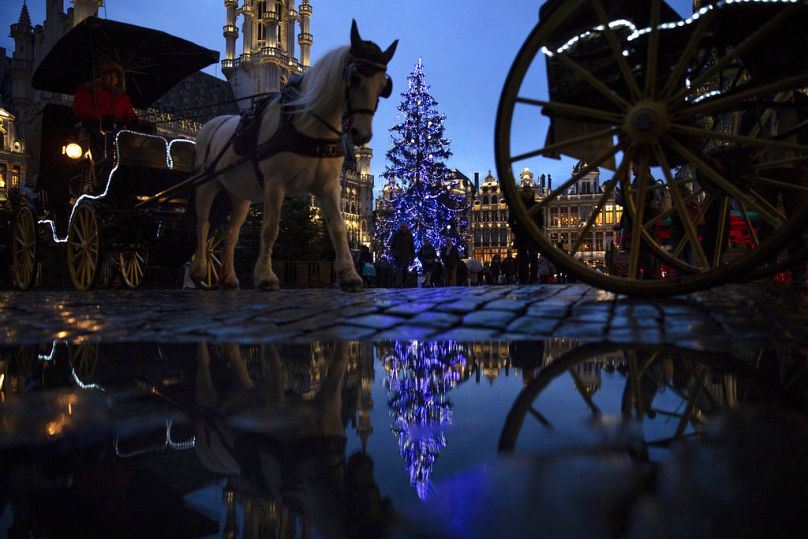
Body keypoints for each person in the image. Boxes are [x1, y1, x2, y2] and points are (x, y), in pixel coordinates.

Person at [73, 58, 138, 126]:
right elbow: (79, 109)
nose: (113, 78)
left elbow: (128, 111)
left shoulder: (122, 96)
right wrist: (101, 116)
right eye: (109, 75)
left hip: (116, 132)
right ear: (101, 76)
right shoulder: (89, 90)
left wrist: (132, 119)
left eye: (115, 76)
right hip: (93, 129)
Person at [509, 183, 541, 283]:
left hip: (532, 236)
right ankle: (523, 279)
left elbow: (541, 221)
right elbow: (510, 220)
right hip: (521, 236)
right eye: (525, 191)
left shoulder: (536, 205)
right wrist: (516, 230)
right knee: (522, 259)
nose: (527, 193)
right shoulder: (517, 206)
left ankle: (533, 279)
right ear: (522, 193)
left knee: (533, 258)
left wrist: (536, 229)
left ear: (532, 193)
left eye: (529, 191)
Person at [389, 223, 415, 288]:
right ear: (400, 228)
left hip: (406, 256)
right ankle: (398, 284)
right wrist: (395, 254)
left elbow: (412, 247)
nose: (403, 229)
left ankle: (404, 283)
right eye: (402, 227)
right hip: (398, 256)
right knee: (398, 270)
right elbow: (392, 246)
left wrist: (412, 258)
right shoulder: (396, 235)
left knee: (405, 271)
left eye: (404, 227)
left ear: (407, 228)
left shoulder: (409, 236)